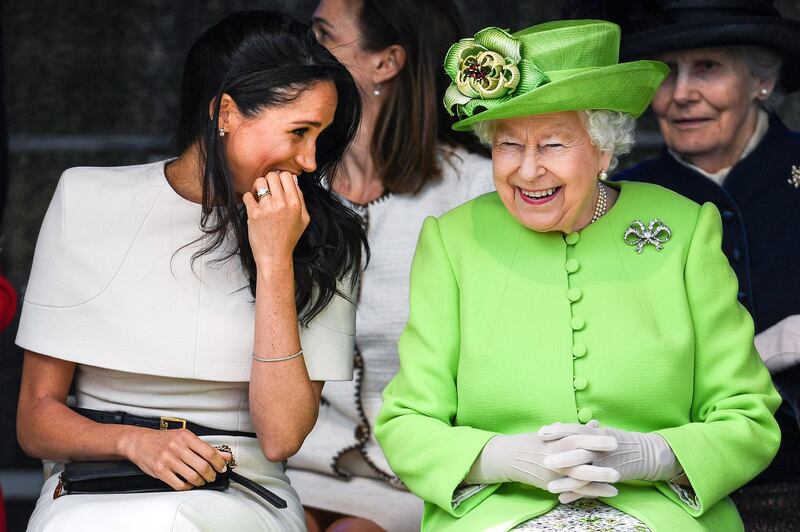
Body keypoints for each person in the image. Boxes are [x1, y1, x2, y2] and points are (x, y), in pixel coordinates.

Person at [375, 19, 781, 531]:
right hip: (495, 518)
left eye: (553, 145)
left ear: (604, 150)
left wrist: (656, 456)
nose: (527, 170)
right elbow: (407, 422)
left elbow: (748, 416)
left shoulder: (683, 228)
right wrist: (497, 458)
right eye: (508, 145)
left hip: (661, 516)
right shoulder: (453, 240)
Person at [15, 10, 366, 531]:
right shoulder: (86, 199)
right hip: (97, 486)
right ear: (226, 112)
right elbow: (35, 420)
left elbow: (281, 437)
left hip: (242, 490)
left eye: (321, 136)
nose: (311, 161)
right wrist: (133, 443)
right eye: (298, 132)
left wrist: (273, 260)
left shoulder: (325, 233)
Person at [285, 1, 493, 531]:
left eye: (323, 34)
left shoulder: (476, 191)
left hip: (417, 469)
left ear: (386, 62)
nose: (301, 50)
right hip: (295, 464)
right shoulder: (291, 183)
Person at [576, 0, 800, 484]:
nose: (681, 94)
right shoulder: (614, 196)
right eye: (666, 73)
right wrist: (768, 347)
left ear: (761, 80)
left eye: (707, 68)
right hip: (668, 470)